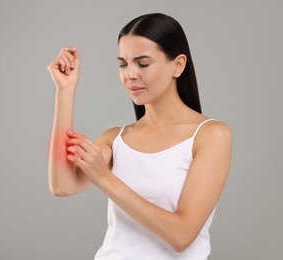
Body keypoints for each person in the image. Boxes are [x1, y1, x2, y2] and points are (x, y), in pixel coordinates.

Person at [47, 13, 232, 260]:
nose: (130, 74)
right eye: (123, 64)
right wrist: (65, 91)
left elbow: (181, 235)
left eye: (142, 63)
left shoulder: (211, 135)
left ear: (178, 65)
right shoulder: (115, 138)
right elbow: (62, 185)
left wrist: (105, 178)